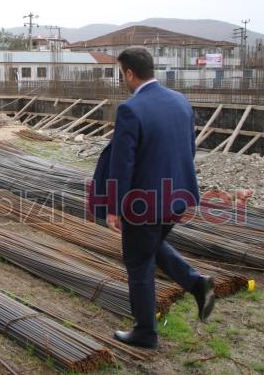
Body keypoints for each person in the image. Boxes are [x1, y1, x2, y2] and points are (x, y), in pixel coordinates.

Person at [88, 46, 215, 349]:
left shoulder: (131, 109)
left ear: (130, 73)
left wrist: (115, 207)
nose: (123, 79)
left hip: (142, 204)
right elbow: (189, 149)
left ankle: (145, 332)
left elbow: (123, 164)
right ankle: (197, 284)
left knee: (139, 263)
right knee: (150, 246)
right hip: (177, 197)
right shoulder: (180, 101)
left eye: (122, 74)